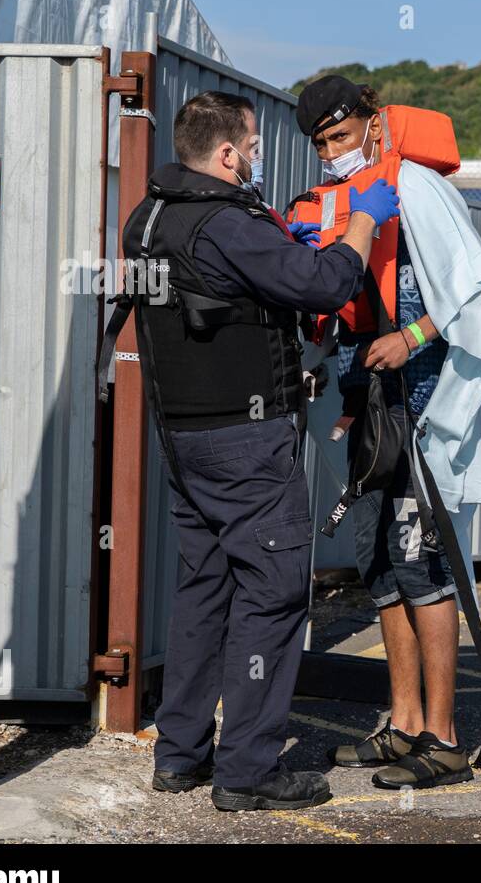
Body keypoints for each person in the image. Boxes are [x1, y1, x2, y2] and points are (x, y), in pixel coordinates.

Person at [112, 90, 400, 811]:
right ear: (229, 153)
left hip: (184, 437)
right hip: (247, 441)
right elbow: (327, 282)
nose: (260, 161)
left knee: (205, 591)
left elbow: (225, 291)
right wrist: (363, 216)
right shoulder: (229, 222)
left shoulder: (145, 218)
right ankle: (247, 771)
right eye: (255, 148)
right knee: (272, 594)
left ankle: (179, 755)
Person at [288, 76, 481, 789]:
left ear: (373, 122)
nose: (335, 153)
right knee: (380, 569)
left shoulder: (416, 187)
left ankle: (444, 737)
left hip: (422, 404)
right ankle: (402, 722)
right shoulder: (339, 205)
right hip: (364, 407)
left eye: (342, 135)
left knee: (424, 564)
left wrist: (414, 334)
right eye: (322, 144)